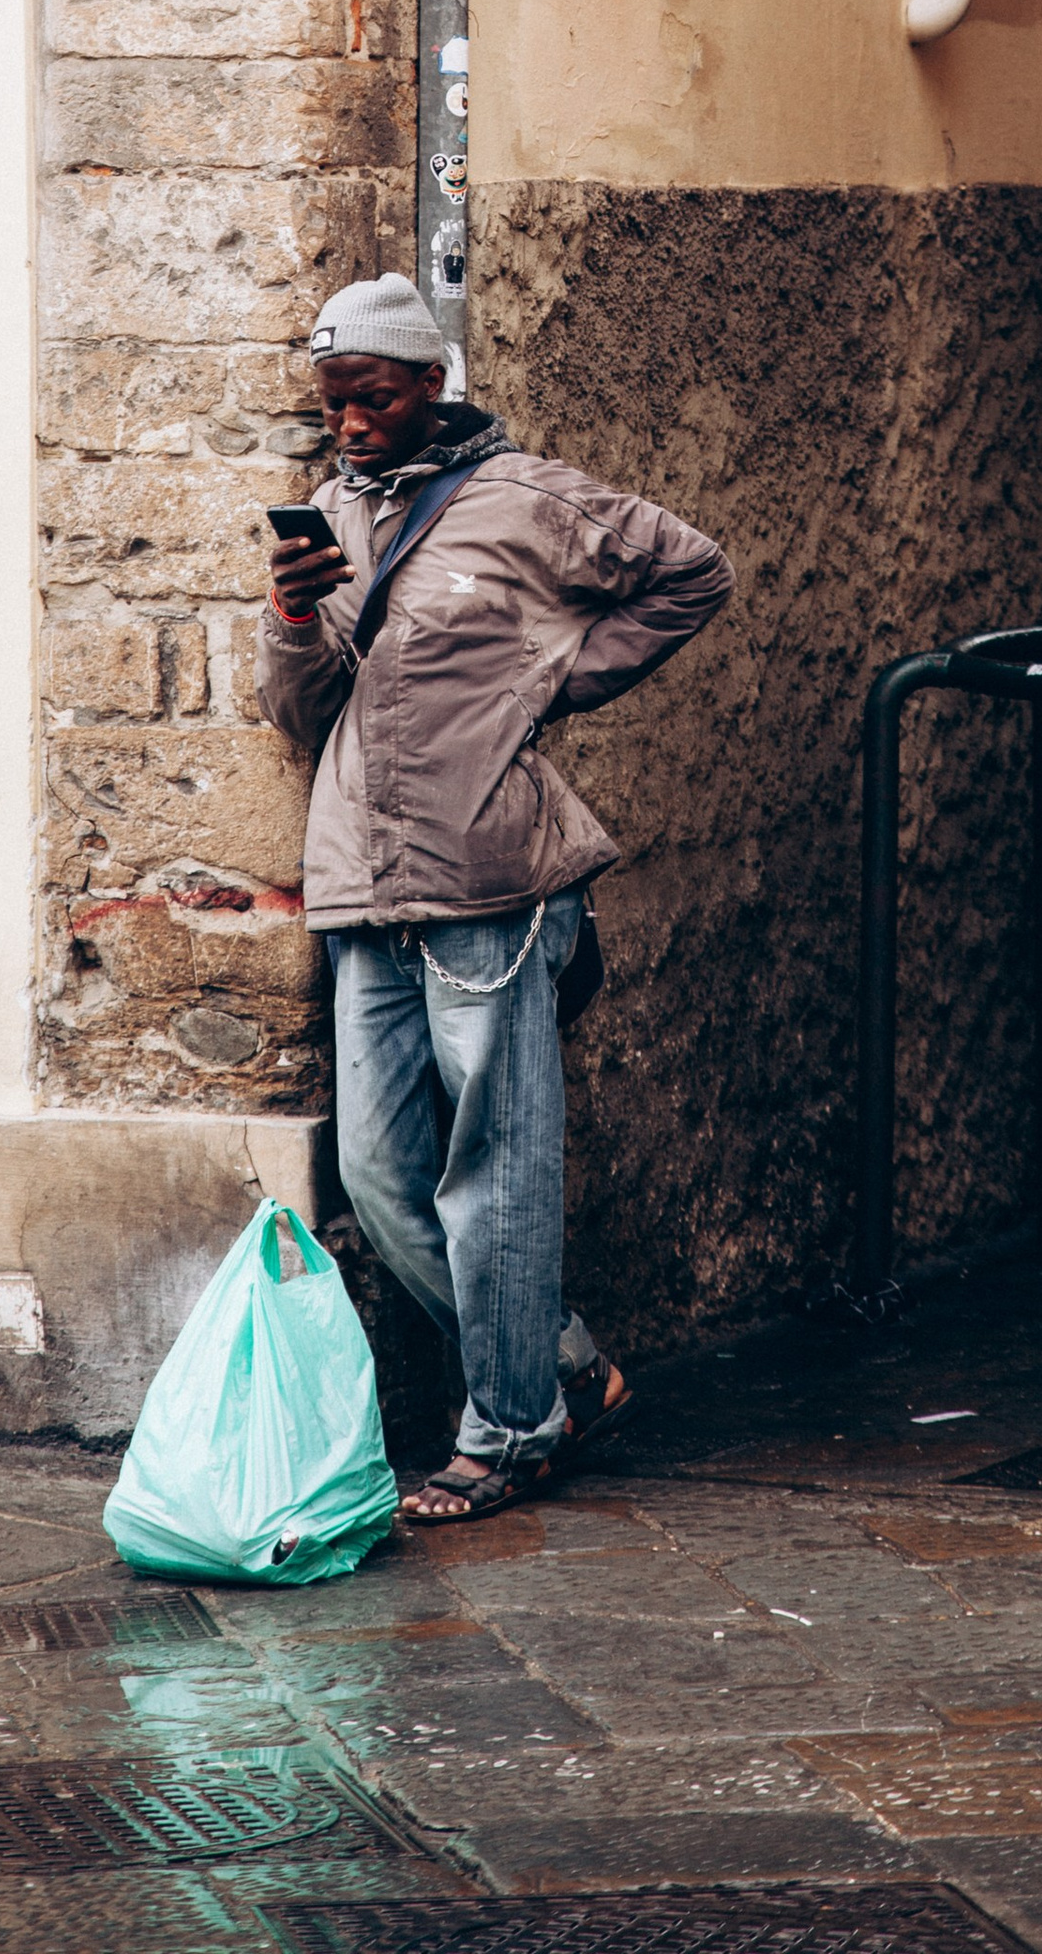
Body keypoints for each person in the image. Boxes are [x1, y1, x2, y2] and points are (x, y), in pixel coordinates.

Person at [258, 271, 733, 1522]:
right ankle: (563, 1369)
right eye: (332, 405)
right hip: (363, 884)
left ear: (428, 383)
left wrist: (558, 680)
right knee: (375, 1174)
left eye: (370, 399)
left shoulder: (529, 501)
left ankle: (510, 1429)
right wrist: (292, 622)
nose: (350, 425)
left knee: (498, 1170)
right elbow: (306, 716)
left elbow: (694, 571)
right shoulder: (329, 516)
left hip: (491, 879)